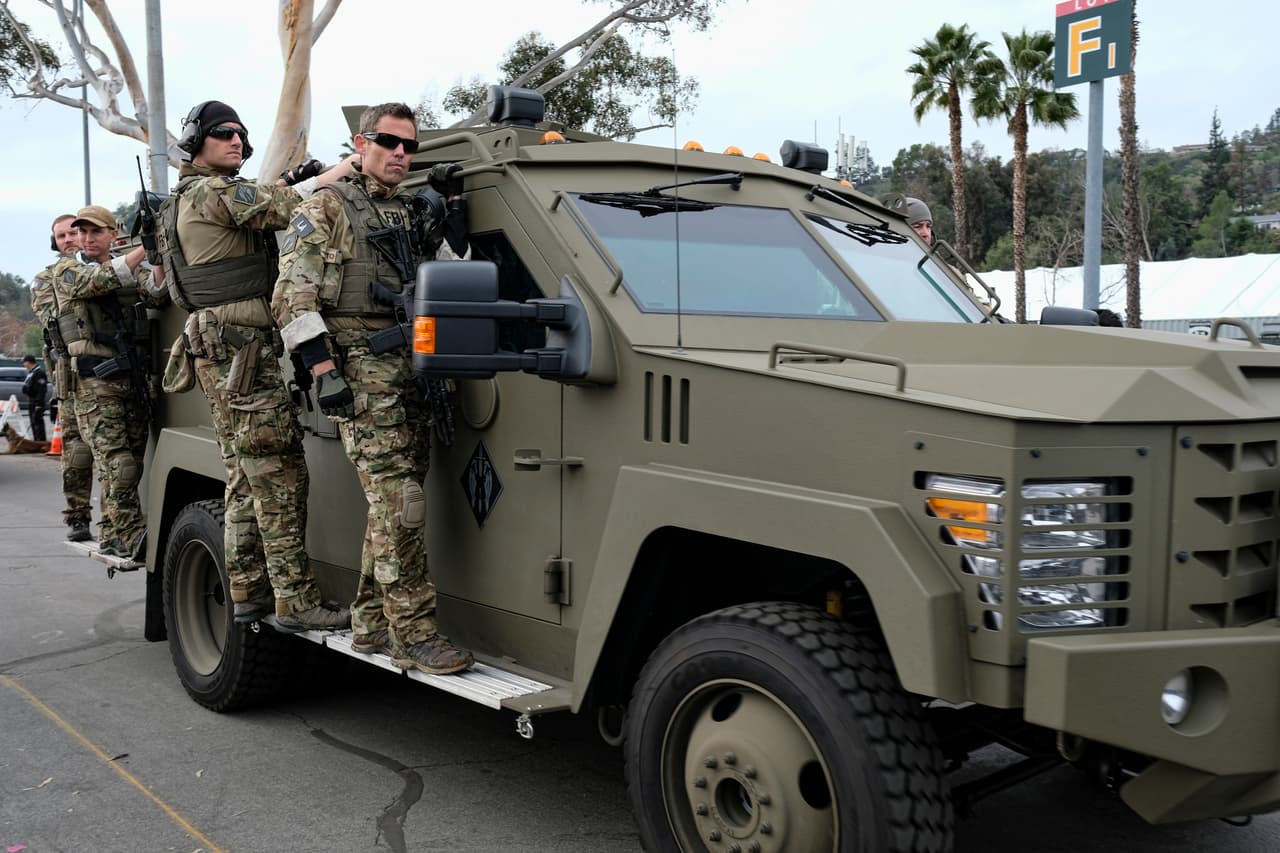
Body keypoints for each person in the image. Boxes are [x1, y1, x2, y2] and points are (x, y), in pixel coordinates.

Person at [272, 101, 473, 674]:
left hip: (410, 371)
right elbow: (292, 297)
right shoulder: (327, 206)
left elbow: (445, 277)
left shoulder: (409, 213)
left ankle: (371, 622)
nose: (400, 154)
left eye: (408, 145)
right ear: (361, 145)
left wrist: (454, 221)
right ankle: (412, 632)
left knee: (394, 507)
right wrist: (322, 371)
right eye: (388, 142)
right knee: (400, 502)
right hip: (359, 372)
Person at [158, 99, 357, 632]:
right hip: (240, 350)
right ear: (196, 140)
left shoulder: (194, 193)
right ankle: (295, 601)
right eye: (224, 133)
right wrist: (347, 168)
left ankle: (246, 590)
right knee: (279, 472)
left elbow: (266, 202)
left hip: (225, 347)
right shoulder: (210, 191)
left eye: (242, 135)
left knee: (246, 478)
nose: (237, 141)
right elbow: (288, 203)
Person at [47, 205, 156, 560]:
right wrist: (145, 250)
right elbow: (97, 281)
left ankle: (112, 532)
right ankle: (131, 532)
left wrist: (162, 256)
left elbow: (156, 294)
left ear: (113, 234)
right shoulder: (67, 270)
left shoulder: (130, 264)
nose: (87, 239)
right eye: (82, 232)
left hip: (131, 377)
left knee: (132, 464)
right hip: (94, 383)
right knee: (117, 463)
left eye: (96, 232)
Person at [32, 214, 98, 542]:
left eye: (74, 232)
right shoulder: (46, 279)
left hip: (108, 372)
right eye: (61, 236)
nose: (70, 239)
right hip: (71, 376)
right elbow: (55, 318)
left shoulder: (102, 265)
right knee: (76, 451)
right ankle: (78, 514)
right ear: (55, 243)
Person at [20, 355, 48, 442]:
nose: (24, 365)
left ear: (28, 362)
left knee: (38, 423)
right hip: (31, 401)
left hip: (36, 403)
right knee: (33, 423)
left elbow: (41, 390)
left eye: (24, 362)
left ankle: (41, 442)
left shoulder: (39, 373)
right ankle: (37, 441)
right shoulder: (32, 373)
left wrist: (39, 403)